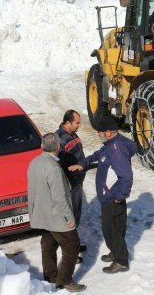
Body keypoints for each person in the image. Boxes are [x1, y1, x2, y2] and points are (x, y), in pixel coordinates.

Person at [68, 116, 137, 274]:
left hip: (112, 198)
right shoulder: (110, 145)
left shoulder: (116, 150)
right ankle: (116, 251)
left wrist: (119, 196)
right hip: (110, 197)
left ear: (108, 132)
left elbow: (126, 177)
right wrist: (82, 164)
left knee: (112, 230)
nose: (98, 134)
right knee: (114, 228)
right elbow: (98, 155)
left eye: (100, 132)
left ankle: (121, 261)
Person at [27, 133, 86, 293]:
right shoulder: (53, 168)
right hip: (56, 215)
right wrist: (69, 217)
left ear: (42, 147)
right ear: (58, 148)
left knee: (48, 244)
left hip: (42, 213)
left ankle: (51, 276)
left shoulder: (34, 162)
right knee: (72, 245)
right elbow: (60, 197)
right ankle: (65, 280)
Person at [56, 110, 88, 257]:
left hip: (77, 182)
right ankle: (70, 253)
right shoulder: (60, 140)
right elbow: (57, 166)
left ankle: (74, 244)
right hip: (70, 184)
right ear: (67, 123)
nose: (79, 125)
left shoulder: (71, 134)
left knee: (75, 215)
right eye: (77, 122)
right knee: (69, 218)